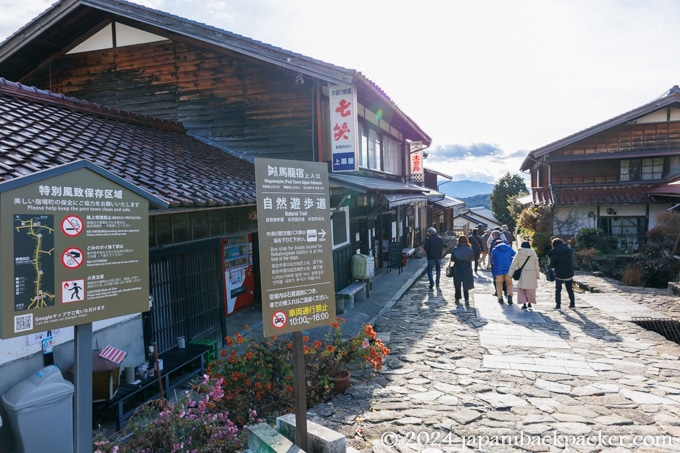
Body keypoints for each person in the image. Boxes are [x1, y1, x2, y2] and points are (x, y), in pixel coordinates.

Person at [508, 240, 540, 310]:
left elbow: (513, 265)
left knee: (522, 289)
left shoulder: (519, 254)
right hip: (532, 274)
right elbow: (537, 266)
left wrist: (510, 274)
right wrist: (537, 275)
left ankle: (524, 304)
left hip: (522, 273)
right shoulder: (533, 254)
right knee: (531, 289)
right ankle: (530, 303)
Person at [547, 237, 576, 309]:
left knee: (558, 290)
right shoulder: (569, 250)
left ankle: (558, 305)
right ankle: (572, 304)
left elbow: (552, 265)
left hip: (558, 273)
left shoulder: (554, 253)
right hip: (569, 272)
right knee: (570, 289)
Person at [448, 235, 475, 304]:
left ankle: (457, 298)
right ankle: (466, 299)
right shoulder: (470, 249)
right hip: (467, 268)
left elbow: (452, 259)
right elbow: (472, 259)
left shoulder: (456, 249)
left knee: (457, 283)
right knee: (466, 284)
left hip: (457, 267)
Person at [490, 237, 516, 304]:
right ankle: (510, 295)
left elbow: (492, 261)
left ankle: (500, 298)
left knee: (499, 284)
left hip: (498, 270)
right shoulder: (509, 248)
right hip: (508, 269)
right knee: (509, 283)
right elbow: (515, 255)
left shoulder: (495, 249)